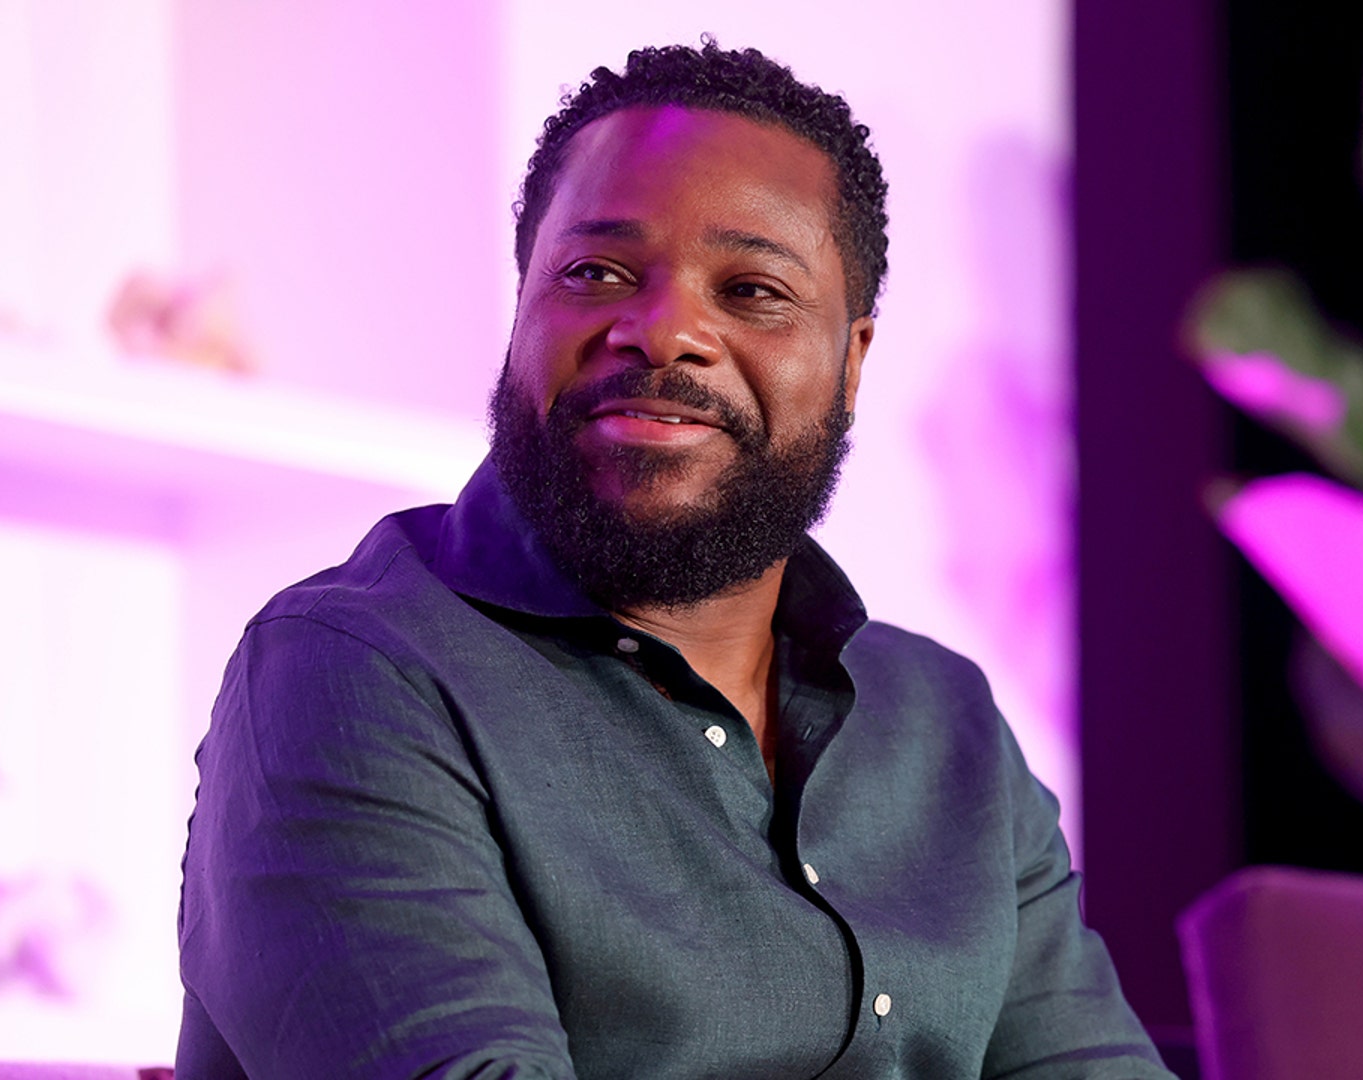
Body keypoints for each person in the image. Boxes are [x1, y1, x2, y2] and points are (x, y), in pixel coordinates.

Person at [177, 41, 1174, 1080]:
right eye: (595, 273)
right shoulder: (355, 671)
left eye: (752, 290)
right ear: (523, 304)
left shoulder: (946, 723)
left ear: (852, 361)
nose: (662, 333)